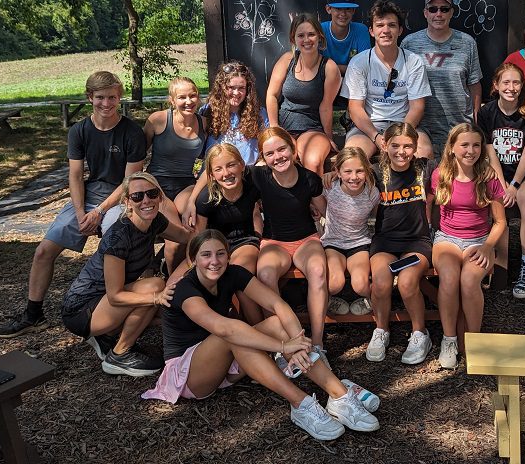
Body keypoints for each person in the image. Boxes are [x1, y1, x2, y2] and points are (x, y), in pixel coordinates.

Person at [142, 230, 381, 441]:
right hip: (189, 374)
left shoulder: (232, 273)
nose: (214, 261)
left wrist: (296, 339)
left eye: (220, 254)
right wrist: (283, 346)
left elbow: (278, 304)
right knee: (233, 334)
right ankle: (301, 404)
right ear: (193, 260)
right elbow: (224, 329)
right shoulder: (185, 289)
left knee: (277, 323)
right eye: (206, 255)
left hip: (226, 358)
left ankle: (338, 395)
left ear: (228, 255)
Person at [0, 71, 147, 338]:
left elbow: (130, 182)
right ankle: (33, 314)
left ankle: (106, 311)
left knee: (113, 247)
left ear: (119, 97)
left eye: (112, 97)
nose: (106, 104)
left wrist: (100, 212)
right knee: (44, 250)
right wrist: (80, 213)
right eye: (100, 97)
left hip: (120, 197)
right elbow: (75, 175)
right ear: (90, 97)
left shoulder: (132, 132)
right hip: (89, 196)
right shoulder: (79, 131)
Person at [61, 172, 191, 376]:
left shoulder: (155, 220)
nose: (146, 200)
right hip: (81, 310)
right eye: (138, 196)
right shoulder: (119, 237)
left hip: (102, 303)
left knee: (156, 292)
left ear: (159, 196)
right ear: (127, 202)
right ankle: (119, 355)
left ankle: (106, 335)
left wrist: (214, 240)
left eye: (151, 194)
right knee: (155, 287)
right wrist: (156, 299)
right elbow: (115, 296)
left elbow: (186, 237)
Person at [250, 127, 331, 362]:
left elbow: (325, 211)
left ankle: (317, 343)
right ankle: (283, 343)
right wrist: (194, 201)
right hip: (274, 240)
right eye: (270, 154)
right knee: (265, 273)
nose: (278, 157)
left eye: (282, 149)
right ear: (263, 159)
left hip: (306, 238)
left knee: (317, 270)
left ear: (293, 149)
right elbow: (222, 164)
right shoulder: (259, 177)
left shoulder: (309, 178)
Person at [429, 124, 507, 369]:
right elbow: (428, 211)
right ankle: (449, 339)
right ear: (452, 148)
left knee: (469, 281)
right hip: (447, 240)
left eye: (476, 145)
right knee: (450, 278)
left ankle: (474, 340)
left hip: (479, 241)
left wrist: (487, 247)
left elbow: (500, 222)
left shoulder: (488, 177)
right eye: (464, 145)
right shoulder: (440, 175)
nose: (470, 150)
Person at [477, 63, 525, 299]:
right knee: (483, 198)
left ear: (522, 85)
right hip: (498, 172)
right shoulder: (486, 112)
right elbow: (490, 151)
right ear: (496, 85)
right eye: (505, 82)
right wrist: (501, 183)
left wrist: (515, 186)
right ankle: (485, 264)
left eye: (516, 82)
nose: (511, 87)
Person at [364, 122, 434, 365]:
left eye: (407, 146)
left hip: (417, 242)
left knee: (406, 281)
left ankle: (419, 333)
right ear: (385, 145)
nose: (401, 152)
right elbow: (347, 172)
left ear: (416, 148)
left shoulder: (424, 168)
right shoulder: (375, 172)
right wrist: (331, 174)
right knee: (381, 283)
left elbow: (458, 168)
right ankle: (381, 329)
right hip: (385, 241)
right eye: (395, 145)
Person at [340, 0, 433, 159]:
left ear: (400, 30)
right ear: (371, 31)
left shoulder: (413, 61)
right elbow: (355, 108)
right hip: (369, 126)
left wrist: (400, 137)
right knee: (353, 158)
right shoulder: (359, 62)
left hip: (404, 123)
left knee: (423, 152)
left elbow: (417, 107)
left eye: (391, 25)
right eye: (380, 25)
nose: (386, 30)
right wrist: (376, 137)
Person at [183, 61, 268, 228]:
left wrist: (261, 163)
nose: (236, 93)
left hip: (247, 176)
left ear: (248, 89)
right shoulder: (207, 112)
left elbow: (268, 145)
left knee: (253, 207)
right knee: (201, 205)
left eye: (241, 88)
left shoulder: (258, 114)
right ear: (222, 87)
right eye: (231, 87)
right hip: (215, 177)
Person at [401, 0, 482, 143]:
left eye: (444, 9)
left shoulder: (467, 43)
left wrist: (476, 121)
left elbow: (474, 84)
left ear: (451, 13)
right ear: (425, 13)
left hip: (459, 126)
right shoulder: (409, 43)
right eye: (433, 9)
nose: (439, 14)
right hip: (421, 127)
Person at [193, 142, 263, 320]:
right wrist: (192, 265)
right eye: (219, 169)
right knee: (179, 283)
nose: (226, 173)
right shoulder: (206, 199)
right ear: (211, 175)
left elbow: (284, 179)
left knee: (240, 279)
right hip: (216, 246)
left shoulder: (254, 179)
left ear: (241, 164)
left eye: (231, 165)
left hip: (245, 240)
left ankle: (260, 332)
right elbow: (198, 238)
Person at [143, 76, 207, 271]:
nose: (188, 102)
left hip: (186, 185)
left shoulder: (205, 123)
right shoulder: (158, 120)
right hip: (157, 184)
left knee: (191, 229)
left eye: (193, 95)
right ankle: (170, 281)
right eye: (182, 97)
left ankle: (187, 276)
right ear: (172, 100)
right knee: (174, 240)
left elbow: (208, 159)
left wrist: (191, 201)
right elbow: (137, 155)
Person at [266, 14, 341, 175]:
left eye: (311, 34)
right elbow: (271, 95)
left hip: (312, 128)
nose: (306, 40)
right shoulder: (287, 60)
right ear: (293, 39)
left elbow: (326, 106)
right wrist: (274, 127)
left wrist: (329, 137)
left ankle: (317, 200)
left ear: (319, 37)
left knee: (313, 163)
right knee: (283, 161)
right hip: (284, 126)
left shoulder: (329, 67)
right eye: (301, 35)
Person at [321, 147, 380, 317]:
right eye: (347, 171)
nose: (354, 177)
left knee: (361, 284)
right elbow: (310, 192)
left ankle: (371, 299)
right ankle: (329, 300)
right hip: (332, 242)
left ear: (367, 171)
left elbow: (377, 215)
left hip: (359, 242)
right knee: (334, 283)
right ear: (338, 172)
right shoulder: (329, 187)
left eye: (360, 171)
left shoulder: (372, 193)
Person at [321, 0, 371, 76]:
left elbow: (365, 68)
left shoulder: (361, 30)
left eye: (347, 9)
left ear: (353, 11)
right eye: (338, 8)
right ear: (328, 9)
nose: (343, 13)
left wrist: (327, 67)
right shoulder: (320, 30)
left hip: (354, 82)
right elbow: (312, 66)